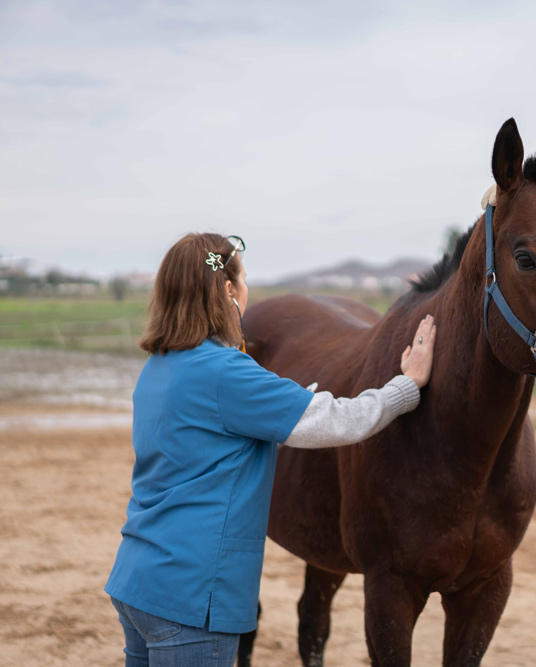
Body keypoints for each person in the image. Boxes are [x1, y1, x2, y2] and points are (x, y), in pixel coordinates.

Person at [105, 233, 437, 666]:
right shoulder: (227, 372)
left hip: (138, 581)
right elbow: (341, 421)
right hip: (192, 596)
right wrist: (406, 386)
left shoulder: (161, 364)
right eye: (242, 281)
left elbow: (223, 417)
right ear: (228, 291)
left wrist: (295, 397)